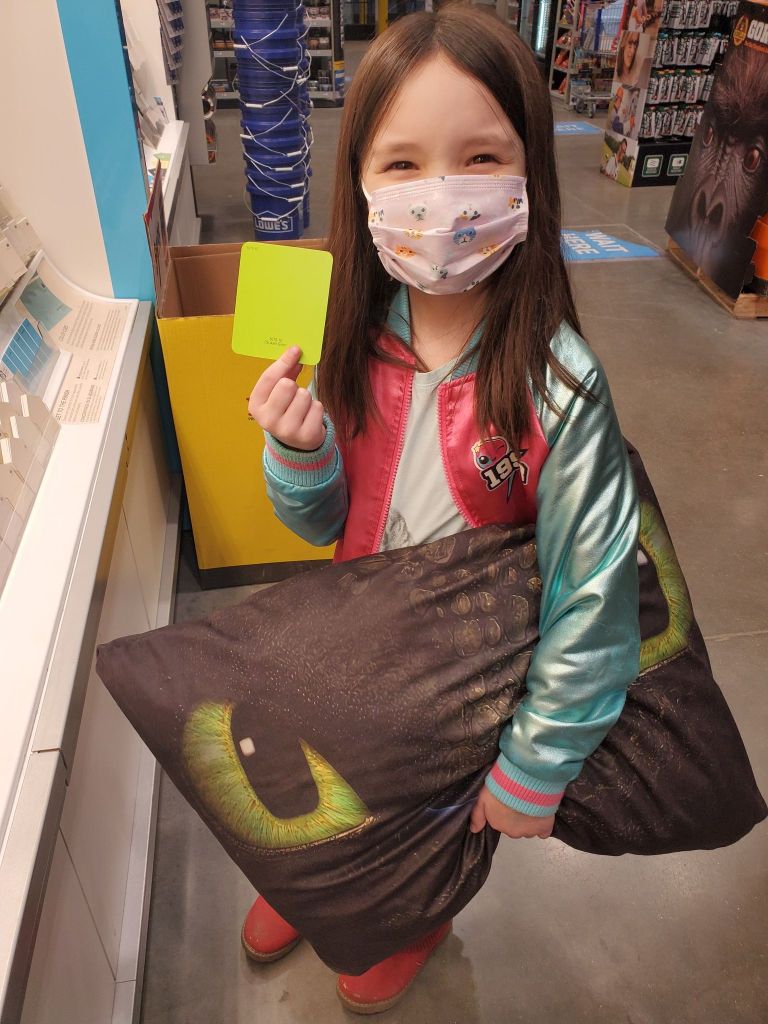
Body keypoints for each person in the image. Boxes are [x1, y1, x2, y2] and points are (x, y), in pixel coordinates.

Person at [246, 5, 639, 1014]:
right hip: (351, 648)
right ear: (360, 183)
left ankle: (410, 921)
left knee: (426, 825)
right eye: (403, 164)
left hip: (467, 691)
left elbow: (595, 594)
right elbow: (320, 522)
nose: (442, 196)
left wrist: (538, 762)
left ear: (530, 172)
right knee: (327, 772)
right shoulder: (350, 338)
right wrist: (300, 453)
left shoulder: (559, 384)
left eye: (480, 158)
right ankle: (308, 878)